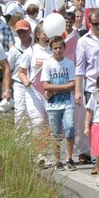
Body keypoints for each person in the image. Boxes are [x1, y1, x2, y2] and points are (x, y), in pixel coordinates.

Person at [41, 36, 77, 171]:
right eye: (55, 48)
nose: (58, 50)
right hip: (53, 104)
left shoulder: (69, 64)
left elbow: (73, 85)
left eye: (60, 47)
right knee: (55, 133)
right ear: (51, 49)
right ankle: (57, 160)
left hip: (67, 102)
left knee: (70, 129)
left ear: (64, 48)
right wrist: (64, 87)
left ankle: (69, 158)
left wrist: (54, 89)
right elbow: (45, 85)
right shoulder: (48, 64)